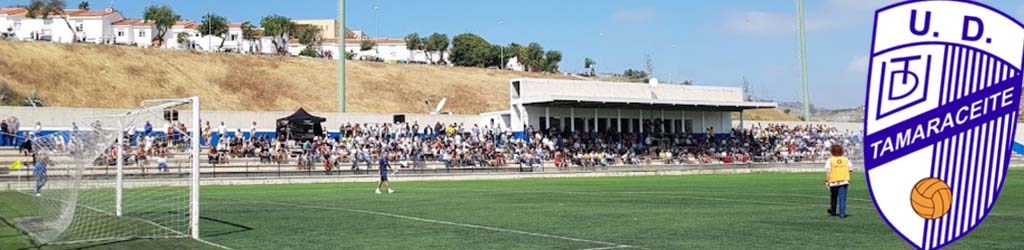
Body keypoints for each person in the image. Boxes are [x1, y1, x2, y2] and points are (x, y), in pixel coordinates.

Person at [825, 144, 853, 218]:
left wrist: (827, 181)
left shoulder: (830, 160)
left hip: (833, 181)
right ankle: (842, 213)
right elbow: (850, 169)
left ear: (832, 151)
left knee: (833, 197)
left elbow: (828, 171)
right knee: (842, 198)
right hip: (844, 181)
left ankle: (833, 211)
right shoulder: (846, 159)